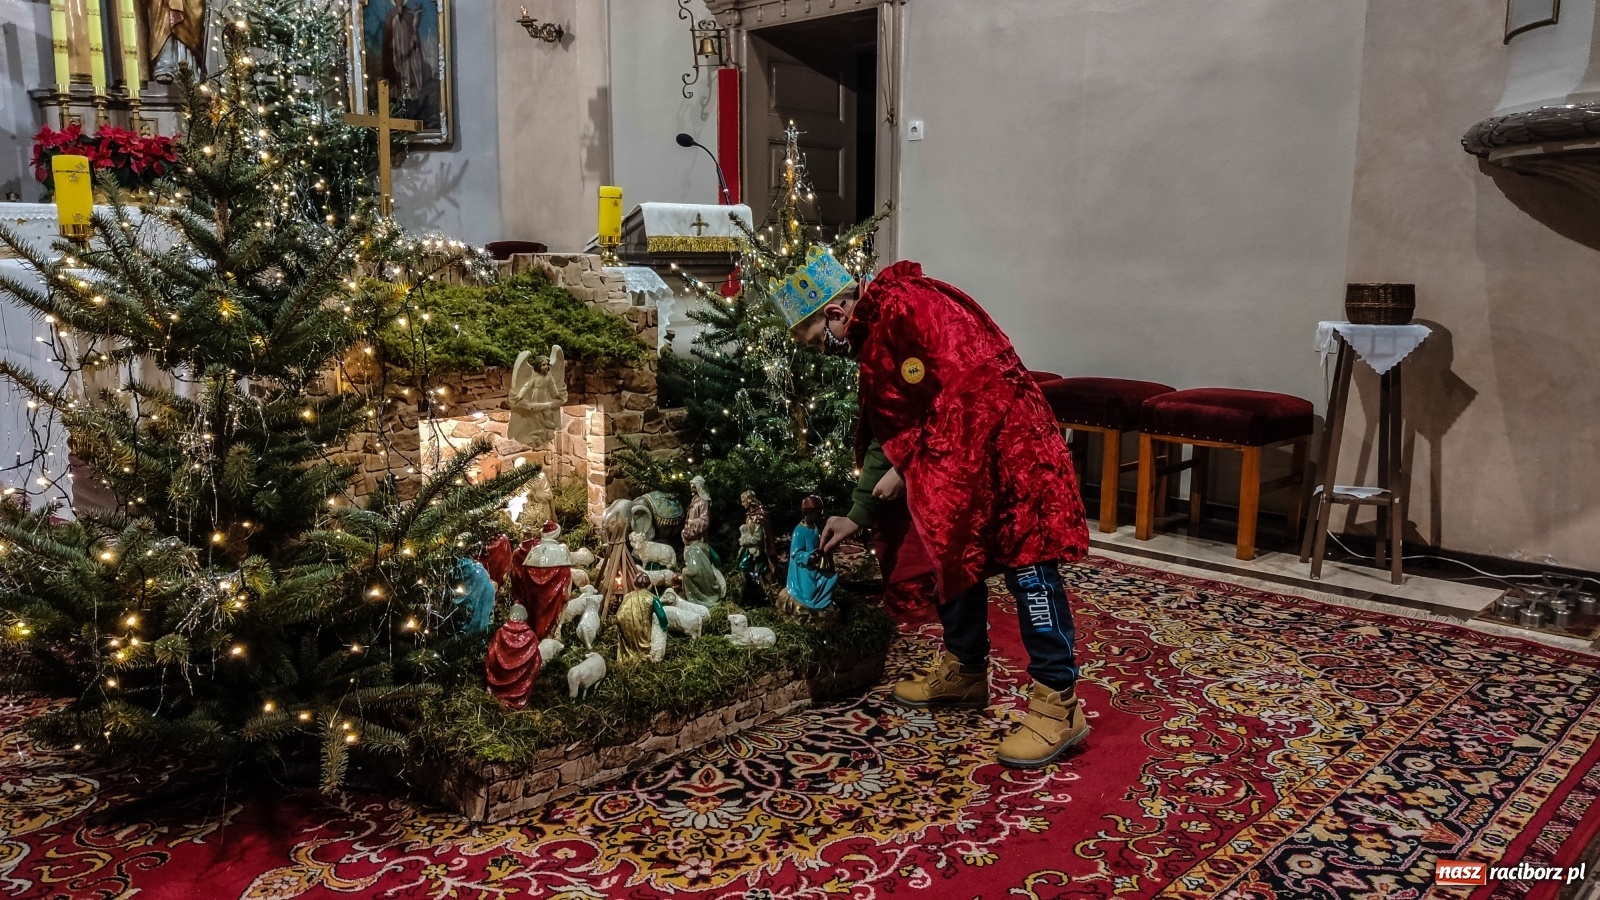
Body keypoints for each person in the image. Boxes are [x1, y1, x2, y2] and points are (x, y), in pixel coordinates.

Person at [777, 246, 1091, 768]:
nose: (828, 349)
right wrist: (858, 513)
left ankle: (1058, 705)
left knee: (1028, 565)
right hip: (958, 454)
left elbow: (971, 388)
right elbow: (892, 422)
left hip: (1009, 453)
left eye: (819, 341)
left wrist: (910, 464)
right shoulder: (875, 329)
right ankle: (966, 671)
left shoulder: (909, 307)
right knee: (947, 548)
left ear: (835, 312)